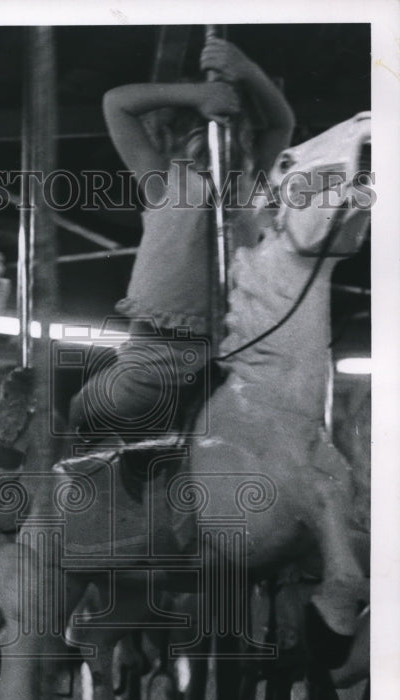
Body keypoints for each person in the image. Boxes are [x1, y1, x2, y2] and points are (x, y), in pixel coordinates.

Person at [69, 36, 295, 438]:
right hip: (162, 345)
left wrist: (247, 70)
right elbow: (115, 103)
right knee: (104, 405)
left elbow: (282, 123)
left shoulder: (249, 180)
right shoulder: (161, 176)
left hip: (231, 345)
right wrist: (196, 93)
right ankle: (67, 432)